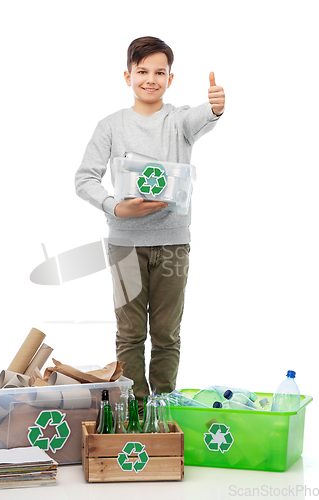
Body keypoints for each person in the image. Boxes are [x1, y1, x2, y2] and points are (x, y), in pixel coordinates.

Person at [75, 36, 225, 411]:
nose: (151, 79)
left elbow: (202, 115)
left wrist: (215, 107)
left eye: (160, 72)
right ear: (128, 76)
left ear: (170, 80)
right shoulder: (110, 126)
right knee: (129, 333)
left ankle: (163, 407)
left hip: (173, 244)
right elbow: (85, 178)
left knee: (166, 333)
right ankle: (135, 409)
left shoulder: (179, 122)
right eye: (142, 71)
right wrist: (114, 207)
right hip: (125, 245)